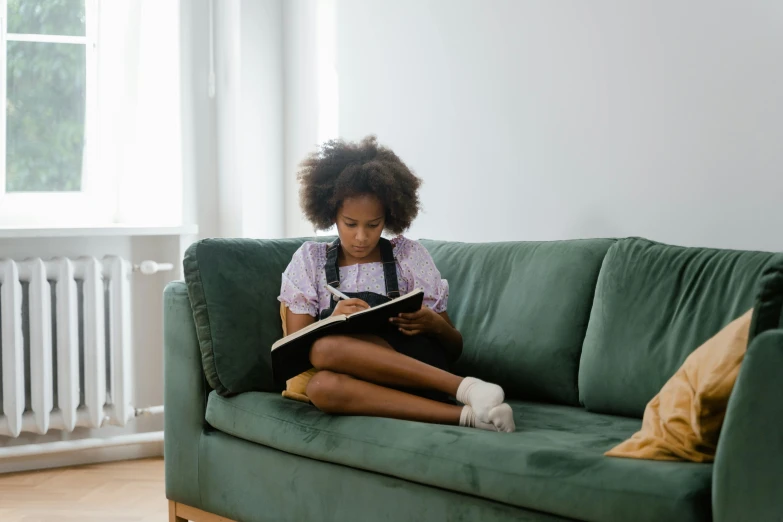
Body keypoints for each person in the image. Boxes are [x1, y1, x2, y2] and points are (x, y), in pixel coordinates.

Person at [277, 136, 514, 432]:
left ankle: (467, 389)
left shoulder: (408, 256)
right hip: (361, 385)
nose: (361, 237)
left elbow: (454, 348)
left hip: (417, 371)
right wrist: (332, 320)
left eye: (373, 224)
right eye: (351, 224)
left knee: (325, 349)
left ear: (388, 216)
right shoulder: (311, 260)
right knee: (320, 386)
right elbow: (294, 353)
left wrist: (434, 324)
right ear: (331, 214)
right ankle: (470, 417)